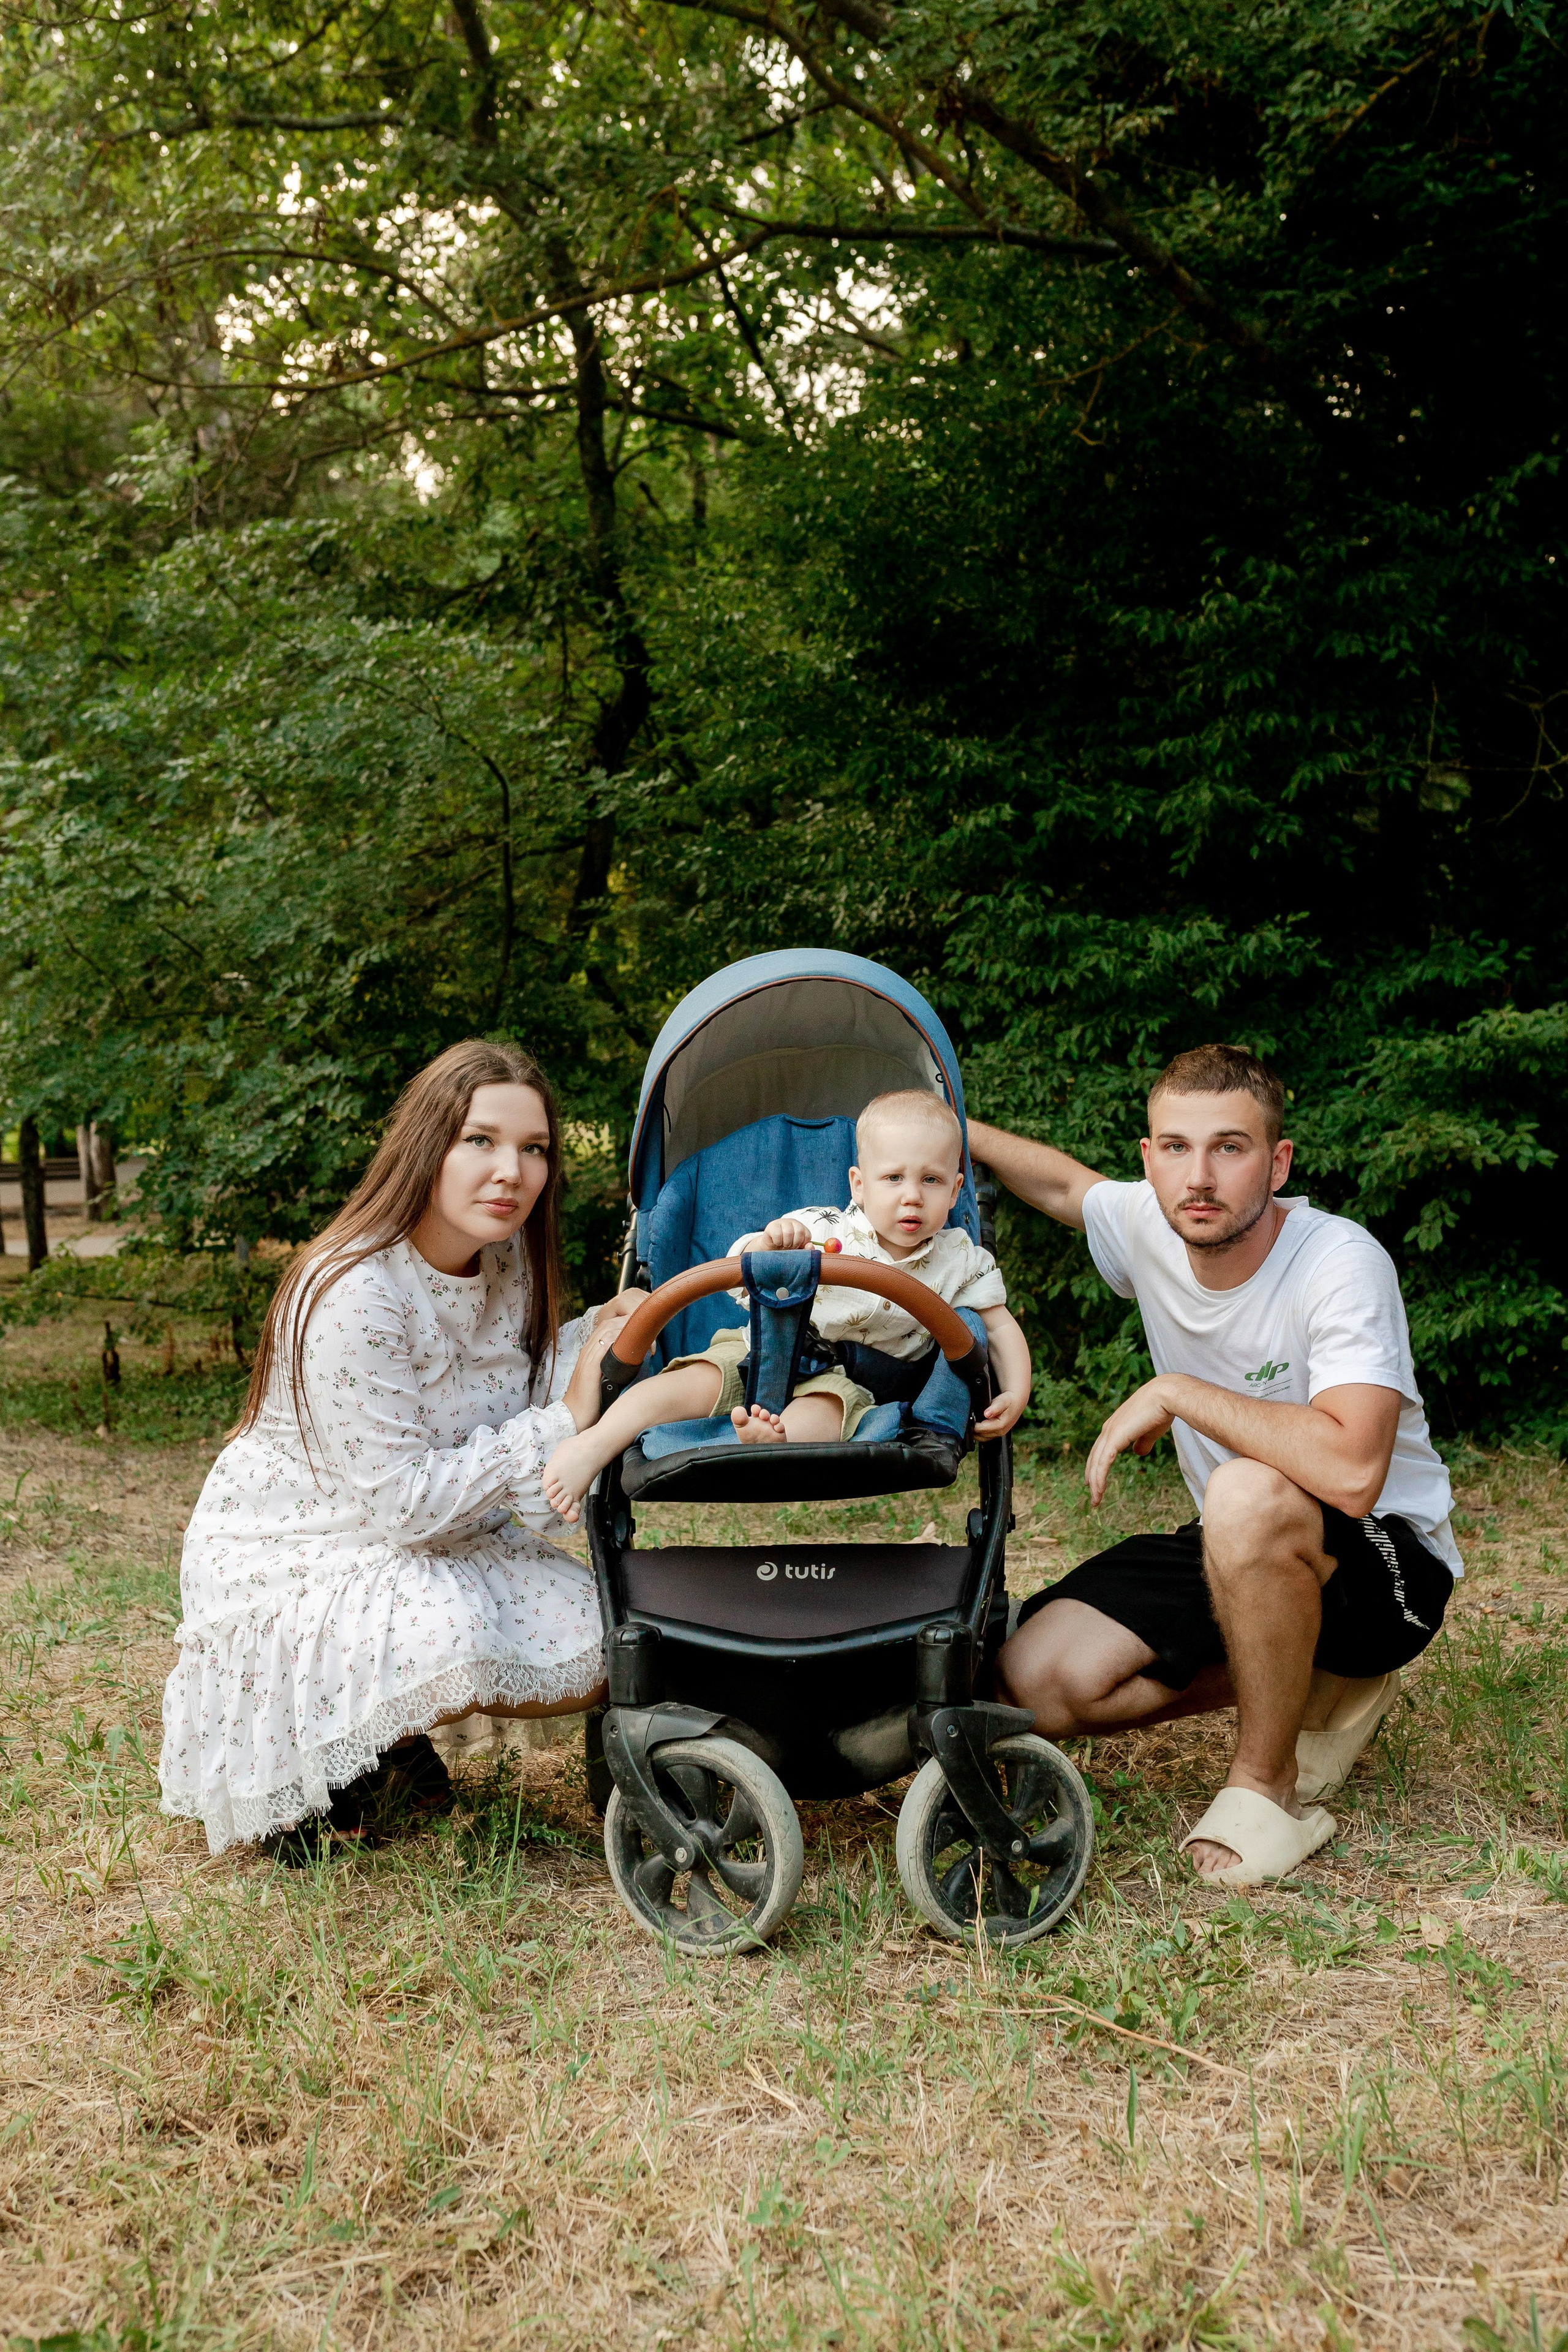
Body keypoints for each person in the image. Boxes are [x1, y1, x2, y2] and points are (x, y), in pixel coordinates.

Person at [968, 1043, 1462, 1888]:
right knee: (1038, 1681)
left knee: (1244, 1492)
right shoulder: (1149, 1224)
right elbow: (1060, 1186)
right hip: (1241, 1540)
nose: (1198, 1176)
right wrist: (948, 1129)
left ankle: (1268, 1791)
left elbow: (1351, 1472)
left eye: (1229, 1148)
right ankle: (1305, 1679)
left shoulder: (1339, 1261)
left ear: (1276, 1164)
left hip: (1389, 1566)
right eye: (1175, 1148)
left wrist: (1179, 1392)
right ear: (1149, 1160)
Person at [158, 1039, 641, 1862]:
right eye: (480, 1141)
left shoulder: (509, 1258)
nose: (512, 1172)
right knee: (452, 1633)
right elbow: (408, 1505)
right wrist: (567, 1419)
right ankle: (325, 1752)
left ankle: (389, 1746)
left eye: (534, 1149)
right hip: (308, 1551)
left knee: (609, 1637)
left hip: (441, 1527)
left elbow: (510, 1407)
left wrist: (600, 1337)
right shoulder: (353, 1289)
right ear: (428, 1145)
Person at [541, 1089, 1032, 1520]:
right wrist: (770, 1245)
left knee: (827, 1414)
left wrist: (1018, 1389)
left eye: (930, 1181)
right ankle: (594, 1444)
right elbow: (740, 1272)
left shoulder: (961, 1259)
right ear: (859, 1184)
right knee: (681, 1385)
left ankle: (773, 1440)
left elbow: (998, 1326)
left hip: (848, 1381)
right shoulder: (822, 1228)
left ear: (956, 1190)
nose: (911, 1197)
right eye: (893, 1179)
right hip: (762, 1348)